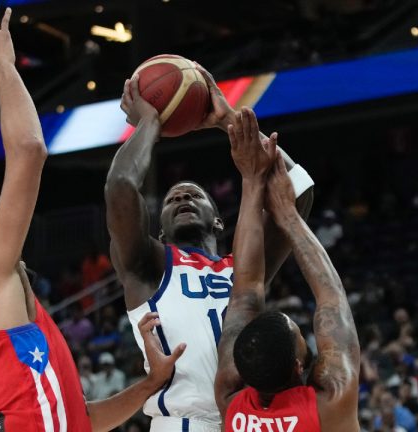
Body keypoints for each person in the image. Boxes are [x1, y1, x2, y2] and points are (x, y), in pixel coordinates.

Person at [0, 5, 184, 431]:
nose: (1, 235)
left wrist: (151, 384)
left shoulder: (0, 329)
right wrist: (4, 68)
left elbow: (84, 418)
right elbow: (29, 150)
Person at [106, 67, 314, 431]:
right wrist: (150, 123)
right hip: (184, 422)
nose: (182, 198)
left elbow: (298, 190)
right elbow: (121, 185)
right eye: (173, 199)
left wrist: (228, 121)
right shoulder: (149, 265)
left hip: (248, 420)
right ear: (160, 230)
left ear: (218, 221)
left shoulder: (246, 267)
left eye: (194, 195)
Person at [213, 112, 359, 431]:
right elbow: (331, 296)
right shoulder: (329, 404)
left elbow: (245, 294)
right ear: (297, 365)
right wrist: (287, 214)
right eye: (299, 336)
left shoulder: (231, 404)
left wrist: (252, 184)